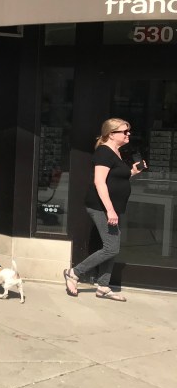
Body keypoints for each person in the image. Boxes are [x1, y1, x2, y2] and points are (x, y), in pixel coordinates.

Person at [63, 118, 146, 301]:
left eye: (128, 132)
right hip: (101, 207)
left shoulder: (116, 152)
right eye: (124, 132)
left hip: (113, 208)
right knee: (111, 248)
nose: (128, 134)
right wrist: (110, 210)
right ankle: (74, 273)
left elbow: (117, 179)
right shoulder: (103, 152)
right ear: (111, 134)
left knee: (111, 247)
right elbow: (99, 182)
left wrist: (132, 172)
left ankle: (103, 287)